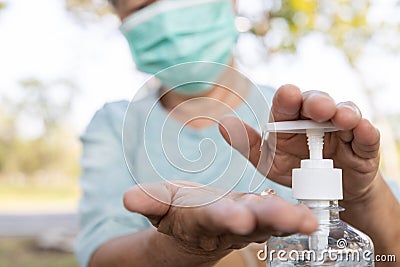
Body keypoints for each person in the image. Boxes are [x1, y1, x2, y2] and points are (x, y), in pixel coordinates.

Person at [75, 0, 400, 266]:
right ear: (119, 16)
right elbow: (102, 255)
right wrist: (187, 248)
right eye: (144, 4)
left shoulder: (303, 122)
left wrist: (363, 196)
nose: (170, 21)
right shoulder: (116, 124)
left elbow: (390, 255)